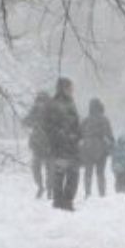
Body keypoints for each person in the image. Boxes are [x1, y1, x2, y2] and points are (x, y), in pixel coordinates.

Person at [42, 77, 81, 211]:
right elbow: (48, 126)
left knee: (73, 174)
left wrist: (78, 135)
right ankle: (59, 201)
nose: (72, 90)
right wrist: (62, 135)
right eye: (70, 88)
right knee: (60, 174)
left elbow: (76, 123)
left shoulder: (71, 103)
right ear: (63, 89)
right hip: (60, 145)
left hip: (72, 145)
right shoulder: (53, 104)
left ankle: (67, 200)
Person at [79, 98, 115, 197]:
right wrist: (112, 147)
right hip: (101, 148)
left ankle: (88, 193)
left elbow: (79, 134)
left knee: (88, 172)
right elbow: (110, 135)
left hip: (87, 148)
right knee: (100, 172)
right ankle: (102, 193)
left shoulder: (86, 120)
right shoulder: (104, 120)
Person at [22, 93, 52, 198]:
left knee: (49, 169)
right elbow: (25, 122)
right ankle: (40, 187)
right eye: (39, 102)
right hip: (37, 144)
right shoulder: (34, 111)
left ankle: (49, 189)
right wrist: (33, 122)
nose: (41, 104)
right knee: (36, 168)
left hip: (50, 144)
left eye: (43, 102)